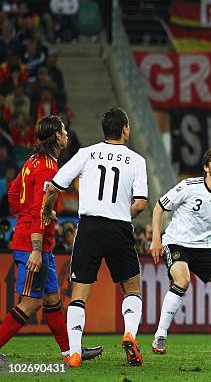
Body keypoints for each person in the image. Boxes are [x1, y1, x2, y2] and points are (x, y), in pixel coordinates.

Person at [41, 107, 148, 367]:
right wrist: (123, 212)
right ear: (125, 129)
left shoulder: (86, 153)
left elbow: (54, 186)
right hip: (119, 228)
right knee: (132, 289)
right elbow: (141, 203)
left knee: (79, 294)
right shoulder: (136, 160)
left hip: (88, 227)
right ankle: (129, 334)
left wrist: (46, 209)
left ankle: (75, 353)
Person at [0, 116, 102, 363]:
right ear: (57, 136)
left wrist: (34, 215)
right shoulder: (48, 167)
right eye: (64, 130)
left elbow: (14, 195)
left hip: (34, 239)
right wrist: (35, 247)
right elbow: (36, 209)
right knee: (30, 304)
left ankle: (70, 352)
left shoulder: (31, 161)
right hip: (32, 245)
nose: (67, 134)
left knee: (52, 300)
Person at [149, 147, 211, 355]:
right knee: (182, 280)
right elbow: (159, 207)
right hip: (176, 242)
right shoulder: (188, 186)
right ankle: (160, 335)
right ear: (206, 167)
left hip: (203, 248)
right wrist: (156, 240)